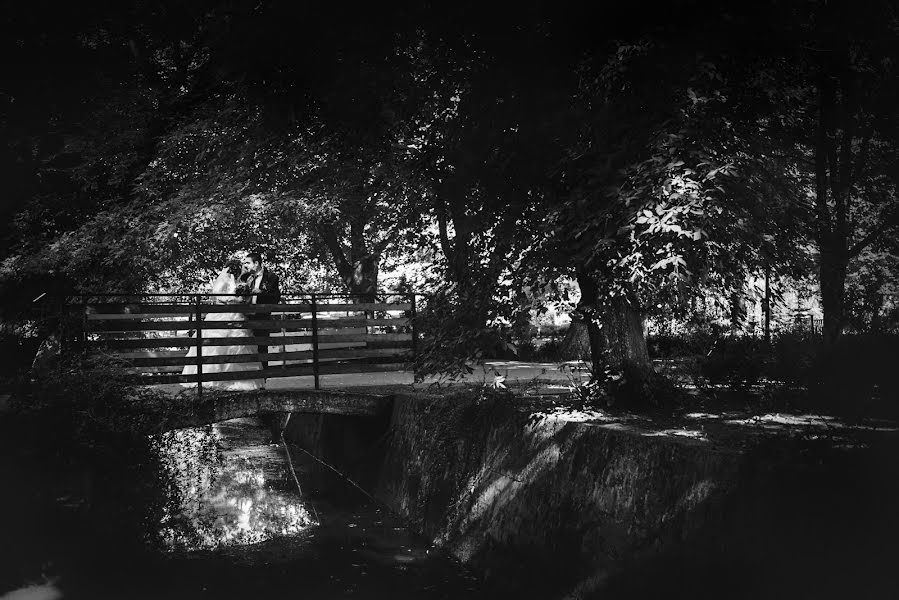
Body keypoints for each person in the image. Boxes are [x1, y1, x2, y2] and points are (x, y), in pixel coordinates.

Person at [181, 259, 263, 391]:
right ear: (233, 269)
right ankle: (214, 378)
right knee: (217, 345)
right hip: (221, 314)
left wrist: (242, 297)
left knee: (239, 344)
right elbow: (218, 296)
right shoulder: (222, 279)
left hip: (235, 314)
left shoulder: (235, 280)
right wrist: (234, 299)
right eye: (240, 268)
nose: (242, 271)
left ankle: (237, 378)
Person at [241, 251, 281, 369]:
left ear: (256, 263)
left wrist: (262, 293)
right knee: (246, 347)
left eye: (248, 263)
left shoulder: (271, 278)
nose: (245, 266)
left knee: (262, 347)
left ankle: (262, 379)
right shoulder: (245, 278)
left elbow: (275, 298)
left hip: (262, 317)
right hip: (246, 317)